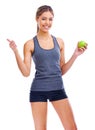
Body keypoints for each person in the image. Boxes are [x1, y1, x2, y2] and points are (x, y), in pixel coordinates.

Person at [7, 5, 87, 130]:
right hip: (38, 91)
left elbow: (61, 70)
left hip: (58, 89)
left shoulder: (59, 42)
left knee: (72, 128)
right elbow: (26, 72)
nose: (47, 23)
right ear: (37, 19)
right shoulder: (29, 44)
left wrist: (75, 55)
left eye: (50, 19)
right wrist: (15, 51)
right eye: (44, 19)